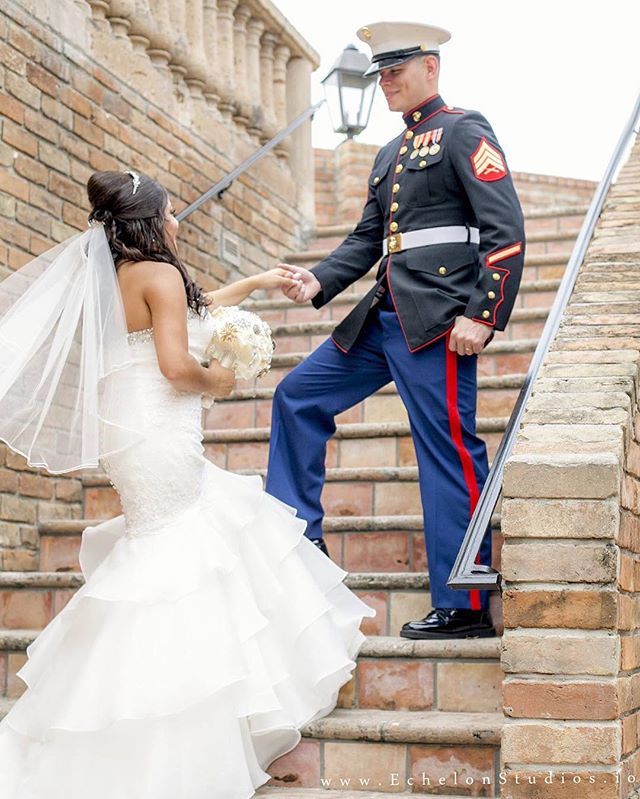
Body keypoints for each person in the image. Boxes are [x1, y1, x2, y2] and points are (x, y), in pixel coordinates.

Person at [0, 170, 375, 799]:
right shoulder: (162, 273)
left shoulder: (118, 276)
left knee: (163, 545)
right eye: (171, 213)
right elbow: (177, 367)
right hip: (161, 432)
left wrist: (253, 284)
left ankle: (120, 706)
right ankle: (185, 719)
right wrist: (221, 381)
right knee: (182, 552)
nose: (177, 221)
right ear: (151, 222)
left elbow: (183, 313)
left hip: (134, 436)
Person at [267, 21, 526, 640]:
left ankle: (464, 600)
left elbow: (505, 228)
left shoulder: (464, 129)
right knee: (296, 396)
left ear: (430, 68)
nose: (385, 82)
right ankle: (299, 546)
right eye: (380, 73)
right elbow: (367, 238)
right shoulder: (389, 153)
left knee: (448, 449)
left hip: (438, 317)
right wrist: (318, 280)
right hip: (384, 314)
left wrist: (483, 314)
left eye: (396, 71)